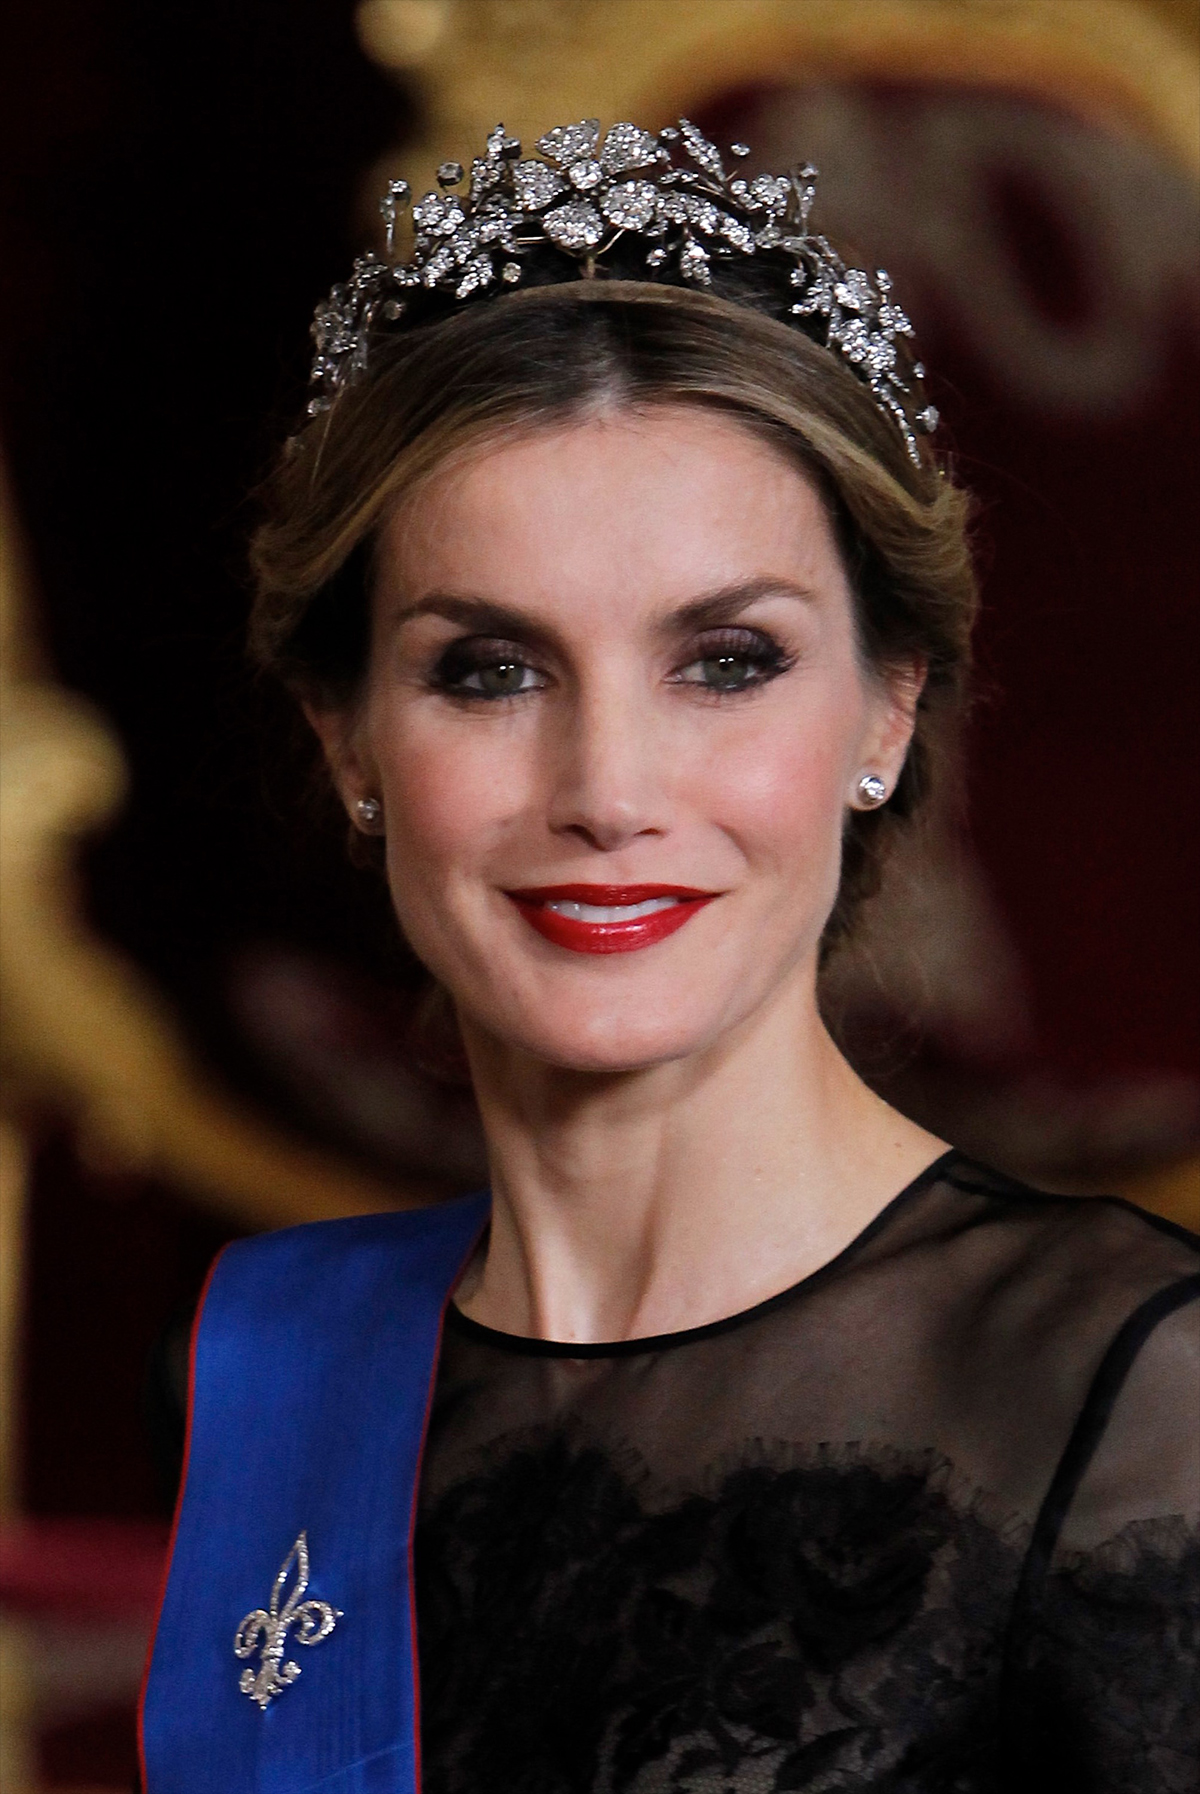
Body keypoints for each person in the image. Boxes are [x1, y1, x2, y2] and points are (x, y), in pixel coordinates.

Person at [140, 121, 1198, 1794]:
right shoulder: (275, 1362)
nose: (609, 790)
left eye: (726, 659)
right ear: (347, 737)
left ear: (888, 707)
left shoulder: (1133, 1390)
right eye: (490, 669)